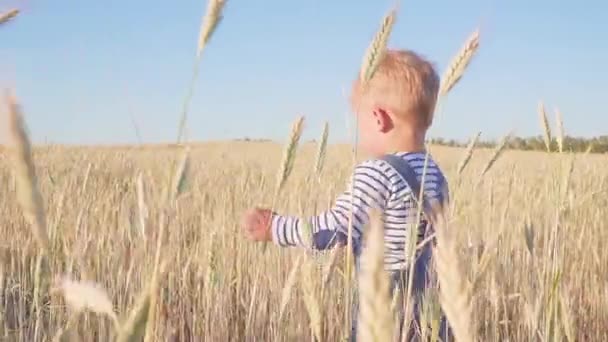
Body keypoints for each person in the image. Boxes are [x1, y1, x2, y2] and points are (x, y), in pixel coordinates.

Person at [241, 49, 451, 341]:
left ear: (379, 118)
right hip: (430, 316)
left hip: (384, 317)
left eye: (359, 120)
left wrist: (274, 228)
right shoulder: (437, 176)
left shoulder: (378, 172)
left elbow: (334, 230)